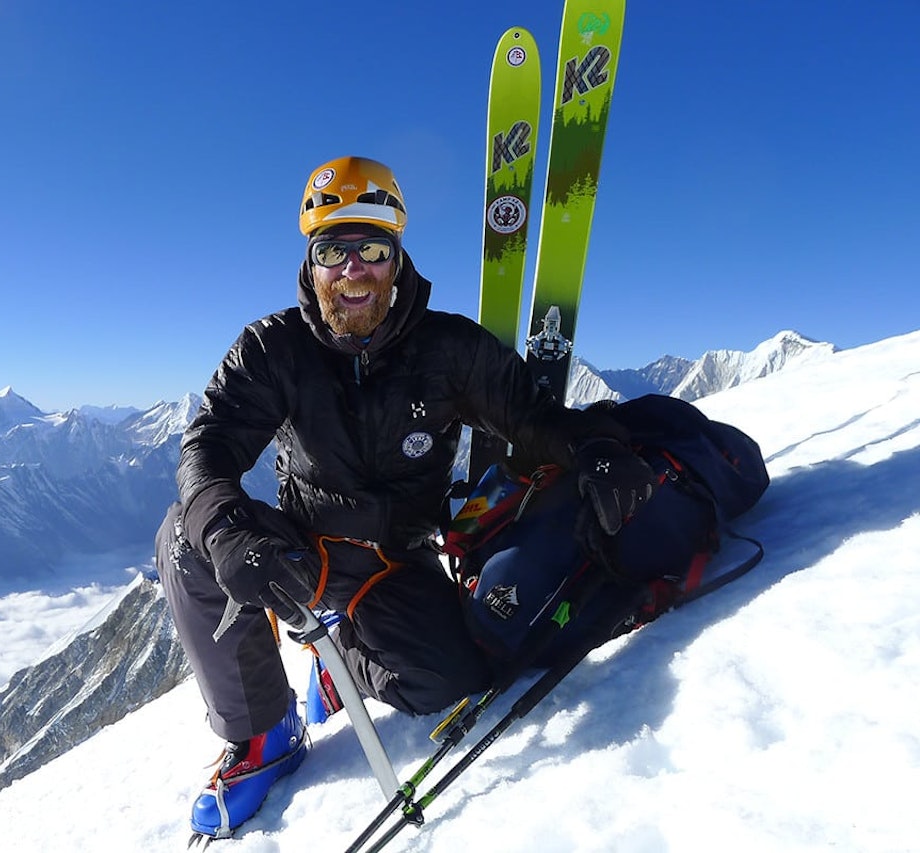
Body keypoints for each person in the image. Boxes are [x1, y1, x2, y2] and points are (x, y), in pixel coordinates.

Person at [154, 155, 657, 840]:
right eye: (335, 249)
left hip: (392, 562)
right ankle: (264, 732)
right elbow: (206, 447)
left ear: (397, 256)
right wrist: (227, 533)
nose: (353, 269)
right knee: (186, 532)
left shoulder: (448, 349)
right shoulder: (273, 349)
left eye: (372, 249)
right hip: (297, 553)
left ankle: (342, 669)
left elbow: (530, 416)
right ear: (311, 260)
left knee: (450, 682)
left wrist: (591, 447)